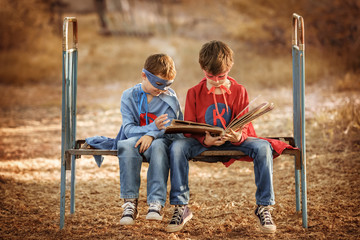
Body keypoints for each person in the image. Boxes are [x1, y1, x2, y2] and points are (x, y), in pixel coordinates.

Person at [166, 40, 292, 233]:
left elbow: (244, 124)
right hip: (204, 142)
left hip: (233, 140)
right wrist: (204, 140)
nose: (216, 80)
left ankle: (264, 206)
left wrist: (238, 137)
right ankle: (181, 207)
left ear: (230, 67)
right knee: (177, 147)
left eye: (221, 76)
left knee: (262, 147)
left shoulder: (239, 90)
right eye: (211, 76)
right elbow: (188, 128)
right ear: (202, 68)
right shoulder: (194, 93)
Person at [115, 53, 183, 225]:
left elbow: (170, 127)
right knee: (125, 145)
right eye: (158, 84)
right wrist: (152, 128)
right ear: (144, 75)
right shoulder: (129, 96)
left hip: (162, 139)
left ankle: (156, 203)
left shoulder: (169, 98)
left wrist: (151, 134)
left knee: (160, 147)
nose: (161, 89)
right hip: (135, 139)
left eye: (166, 85)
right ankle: (130, 202)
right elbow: (128, 129)